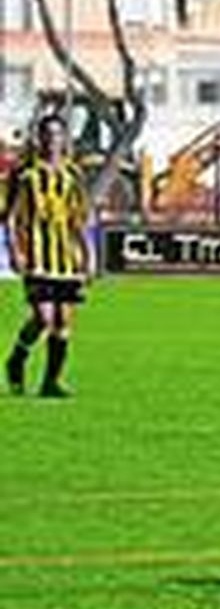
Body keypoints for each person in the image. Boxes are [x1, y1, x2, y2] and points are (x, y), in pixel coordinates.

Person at [5, 114, 92, 398]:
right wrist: (15, 250)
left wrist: (88, 256)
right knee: (43, 318)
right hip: (37, 257)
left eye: (57, 135)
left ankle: (50, 383)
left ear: (65, 138)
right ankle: (16, 360)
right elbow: (8, 217)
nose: (52, 140)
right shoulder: (24, 173)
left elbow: (78, 219)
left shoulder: (73, 174)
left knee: (63, 321)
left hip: (66, 258)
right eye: (47, 134)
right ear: (39, 137)